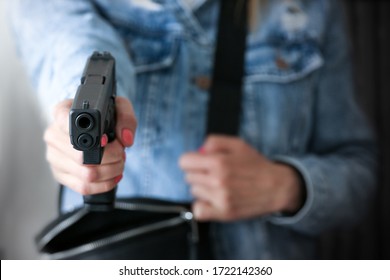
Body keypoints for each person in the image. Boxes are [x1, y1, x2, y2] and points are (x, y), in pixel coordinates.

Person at [8, 0, 377, 259]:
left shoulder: (309, 11)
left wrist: (286, 185)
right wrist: (75, 116)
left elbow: (360, 176)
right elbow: (77, 50)